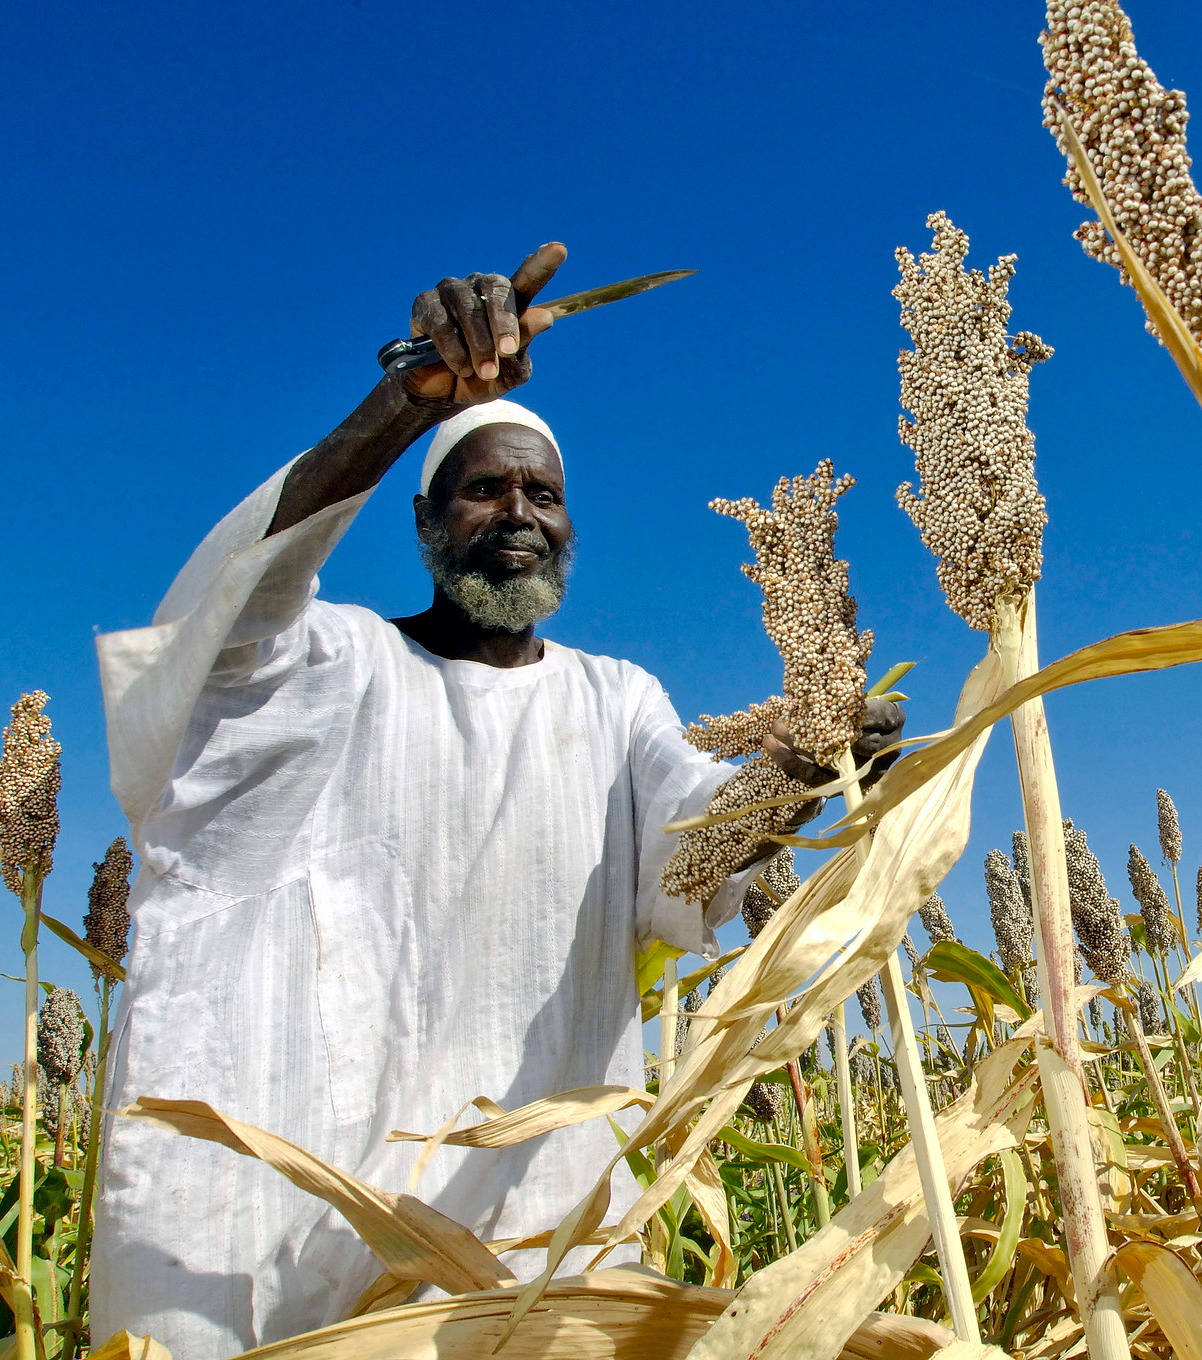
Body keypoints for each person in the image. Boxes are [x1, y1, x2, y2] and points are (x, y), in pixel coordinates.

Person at [90, 243, 900, 1359]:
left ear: (571, 532)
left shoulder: (614, 700)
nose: (518, 511)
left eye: (544, 493)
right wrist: (406, 400)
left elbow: (693, 853)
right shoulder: (336, 662)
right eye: (483, 488)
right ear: (427, 522)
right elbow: (230, 613)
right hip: (302, 1230)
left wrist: (800, 773)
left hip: (537, 1235)